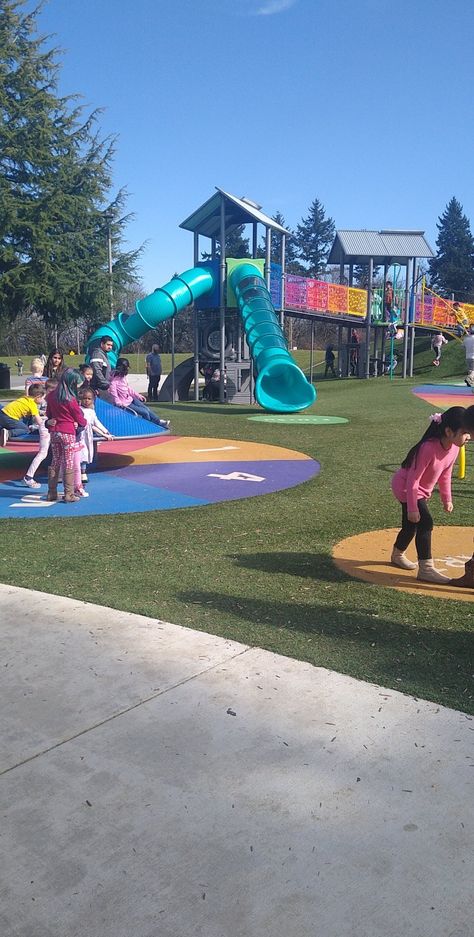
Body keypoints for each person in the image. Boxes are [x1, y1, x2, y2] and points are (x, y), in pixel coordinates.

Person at [390, 407, 470, 583]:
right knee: (425, 522)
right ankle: (426, 569)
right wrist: (412, 507)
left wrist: (447, 499)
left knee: (411, 526)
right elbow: (412, 480)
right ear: (448, 431)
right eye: (464, 432)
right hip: (406, 487)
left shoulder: (454, 448)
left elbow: (445, 475)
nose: (469, 436)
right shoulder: (428, 448)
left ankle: (397, 554)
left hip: (420, 490)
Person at [45, 369, 87, 503]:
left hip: (54, 431)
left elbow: (49, 414)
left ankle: (51, 492)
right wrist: (83, 423)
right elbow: (79, 417)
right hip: (67, 432)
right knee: (68, 461)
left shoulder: (51, 396)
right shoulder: (70, 399)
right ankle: (68, 493)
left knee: (55, 460)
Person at [108, 358, 170, 427]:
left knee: (146, 409)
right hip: (125, 403)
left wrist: (138, 395)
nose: (127, 371)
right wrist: (119, 403)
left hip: (130, 398)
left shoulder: (123, 377)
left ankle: (158, 421)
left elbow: (128, 388)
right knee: (145, 412)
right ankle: (148, 426)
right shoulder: (114, 382)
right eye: (126, 369)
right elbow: (114, 394)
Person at [77, 387, 113, 488]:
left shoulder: (91, 411)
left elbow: (95, 423)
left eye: (89, 399)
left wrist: (105, 432)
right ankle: (81, 472)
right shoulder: (80, 410)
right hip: (80, 434)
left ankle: (82, 471)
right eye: (85, 398)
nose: (87, 401)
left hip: (87, 434)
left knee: (87, 452)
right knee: (81, 453)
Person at [0, 383, 45, 448]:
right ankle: (8, 433)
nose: (43, 400)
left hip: (2, 413)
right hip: (9, 417)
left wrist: (42, 412)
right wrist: (43, 426)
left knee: (20, 421)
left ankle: (4, 430)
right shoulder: (32, 404)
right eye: (42, 398)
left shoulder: (25, 398)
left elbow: (30, 410)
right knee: (25, 429)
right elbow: (38, 419)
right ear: (38, 396)